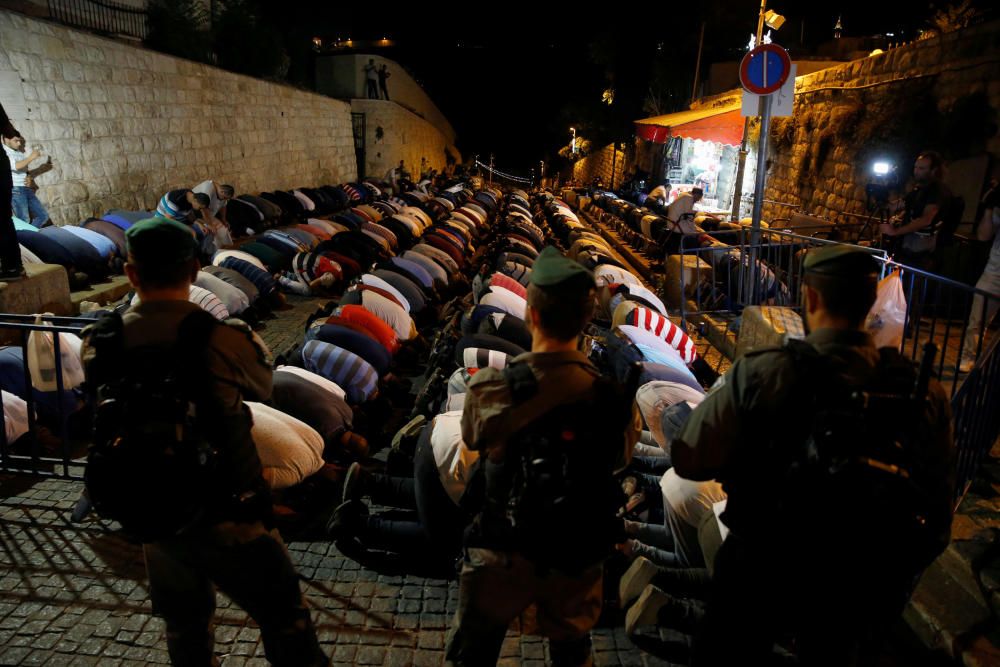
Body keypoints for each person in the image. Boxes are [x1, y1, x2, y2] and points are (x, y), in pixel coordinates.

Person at [672, 244, 955, 666]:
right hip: (860, 583)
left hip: (761, 568)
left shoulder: (764, 372)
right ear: (869, 303)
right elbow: (938, 509)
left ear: (811, 298)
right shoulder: (923, 393)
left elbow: (690, 457)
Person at [81, 219, 328, 666]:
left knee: (186, 628)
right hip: (229, 510)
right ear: (195, 270)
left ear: (132, 274)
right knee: (285, 620)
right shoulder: (223, 337)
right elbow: (262, 385)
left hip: (153, 510)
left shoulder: (102, 340)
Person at [445, 246, 641, 667]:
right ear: (588, 319)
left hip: (503, 550)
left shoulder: (495, 389)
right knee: (571, 653)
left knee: (474, 652)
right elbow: (619, 459)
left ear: (532, 314)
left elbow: (473, 436)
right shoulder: (610, 398)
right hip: (576, 555)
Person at [880, 151, 952, 269]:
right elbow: (896, 206)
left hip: (921, 255)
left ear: (934, 170)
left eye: (921, 168)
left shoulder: (937, 191)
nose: (916, 171)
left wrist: (895, 231)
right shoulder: (918, 189)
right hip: (907, 250)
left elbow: (926, 220)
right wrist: (881, 195)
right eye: (916, 167)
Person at [959, 178, 1000, 373]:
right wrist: (989, 207)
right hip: (995, 271)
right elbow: (984, 235)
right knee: (978, 318)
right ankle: (968, 357)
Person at [3, 131, 52, 228]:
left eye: (20, 141)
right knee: (24, 220)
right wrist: (31, 157)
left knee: (43, 216)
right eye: (16, 141)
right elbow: (15, 166)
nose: (19, 144)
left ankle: (29, 237)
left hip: (26, 188)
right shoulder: (4, 152)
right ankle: (25, 239)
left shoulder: (18, 153)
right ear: (6, 139)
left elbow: (24, 169)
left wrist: (29, 177)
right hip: (15, 189)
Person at [0, 102, 24, 280]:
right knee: (4, 219)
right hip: (2, 168)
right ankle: (13, 266)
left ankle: (12, 267)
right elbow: (8, 130)